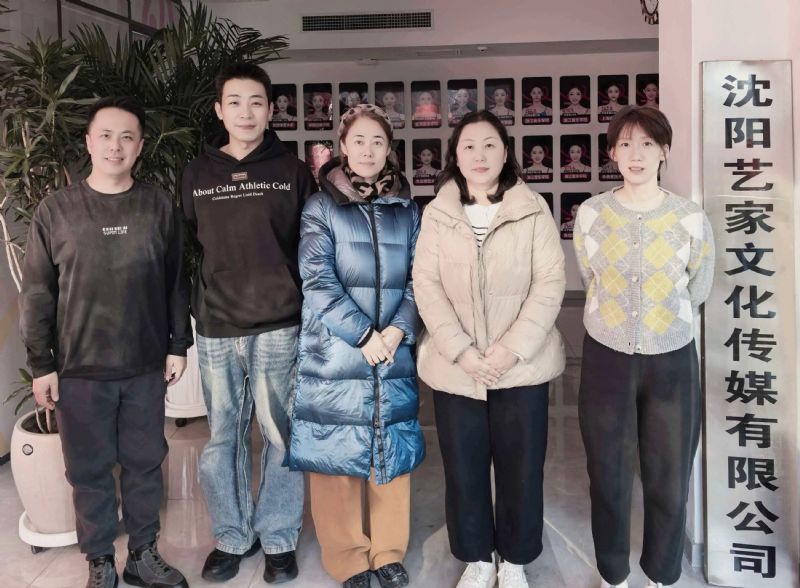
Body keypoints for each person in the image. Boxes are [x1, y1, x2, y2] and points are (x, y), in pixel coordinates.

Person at [19, 96, 192, 588]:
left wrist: (178, 344)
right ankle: (99, 560)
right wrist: (41, 364)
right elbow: (37, 293)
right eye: (106, 136)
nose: (116, 146)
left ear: (140, 146)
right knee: (88, 471)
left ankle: (142, 554)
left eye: (127, 137)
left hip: (143, 365)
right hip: (80, 369)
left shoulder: (158, 205)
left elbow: (176, 281)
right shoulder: (56, 210)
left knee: (144, 464)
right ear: (89, 142)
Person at [413, 110, 566, 588]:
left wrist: (511, 350)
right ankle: (478, 559)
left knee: (522, 469)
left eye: (489, 145)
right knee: (464, 468)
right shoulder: (438, 213)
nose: (479, 155)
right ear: (455, 157)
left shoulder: (533, 209)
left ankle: (515, 560)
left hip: (520, 367)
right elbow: (426, 284)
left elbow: (550, 281)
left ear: (505, 153)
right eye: (469, 146)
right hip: (457, 368)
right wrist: (461, 350)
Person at [181, 62, 318, 584]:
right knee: (222, 437)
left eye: (256, 102)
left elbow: (309, 248)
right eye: (235, 102)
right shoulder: (197, 173)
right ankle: (232, 536)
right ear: (220, 110)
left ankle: (279, 537)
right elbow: (189, 245)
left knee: (280, 435)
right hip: (217, 325)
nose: (245, 112)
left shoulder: (293, 171)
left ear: (270, 110)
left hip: (280, 323)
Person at [572, 106, 714, 588]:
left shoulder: (689, 218)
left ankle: (661, 574)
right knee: (607, 473)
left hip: (671, 358)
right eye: (626, 144)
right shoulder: (592, 214)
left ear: (664, 151)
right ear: (612, 152)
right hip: (607, 356)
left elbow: (698, 285)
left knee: (669, 475)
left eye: (648, 144)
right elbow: (589, 277)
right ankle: (613, 574)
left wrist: (660, 320)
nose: (637, 154)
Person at [288, 104, 425, 588]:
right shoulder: (321, 207)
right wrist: (364, 335)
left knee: (392, 448)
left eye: (378, 141)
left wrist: (398, 331)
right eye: (359, 140)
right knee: (336, 454)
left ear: (390, 149)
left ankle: (388, 552)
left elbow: (422, 278)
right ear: (343, 146)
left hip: (393, 349)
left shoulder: (407, 210)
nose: (368, 150)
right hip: (338, 351)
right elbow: (317, 279)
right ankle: (347, 557)